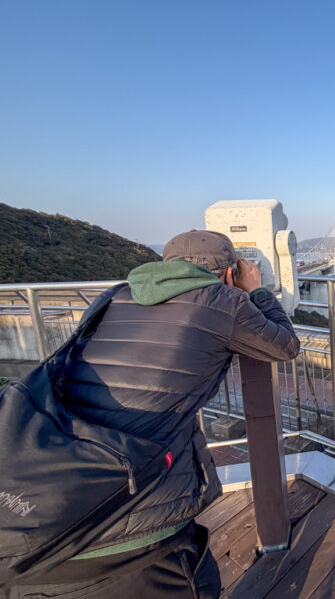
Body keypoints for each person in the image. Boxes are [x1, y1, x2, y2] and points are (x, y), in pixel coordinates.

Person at [8, 230, 300, 599]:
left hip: (40, 506)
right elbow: (285, 345)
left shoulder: (114, 295)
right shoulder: (223, 300)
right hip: (126, 521)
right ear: (229, 274)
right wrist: (256, 290)